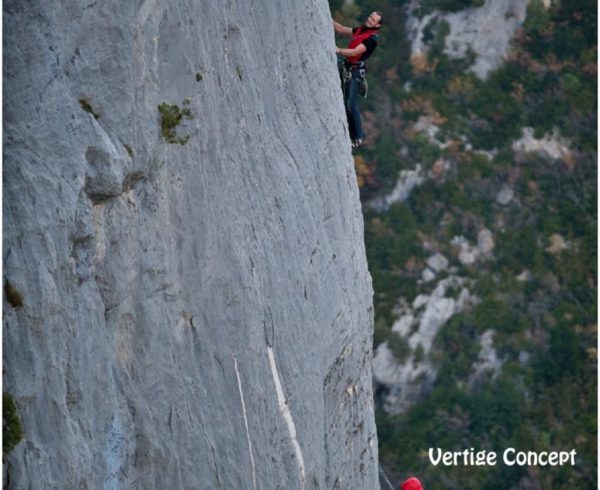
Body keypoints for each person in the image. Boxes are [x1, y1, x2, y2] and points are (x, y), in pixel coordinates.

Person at [333, 11, 383, 149]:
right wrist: (326, 18)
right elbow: (342, 29)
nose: (370, 19)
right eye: (370, 16)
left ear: (377, 25)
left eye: (373, 19)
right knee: (344, 102)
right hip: (348, 67)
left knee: (350, 104)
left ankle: (358, 137)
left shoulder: (372, 39)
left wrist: (338, 50)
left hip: (355, 73)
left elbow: (355, 52)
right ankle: (351, 133)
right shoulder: (361, 29)